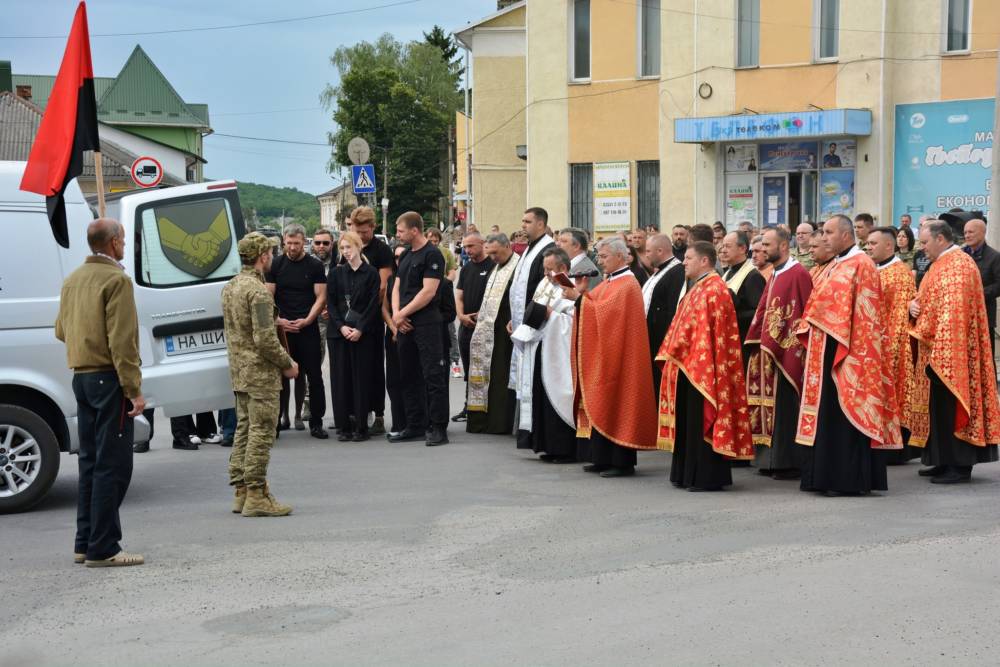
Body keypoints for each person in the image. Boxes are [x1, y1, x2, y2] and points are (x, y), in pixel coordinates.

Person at [55, 218, 146, 567]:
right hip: (109, 378)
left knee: (91, 462)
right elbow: (122, 342)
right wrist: (134, 389)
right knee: (113, 465)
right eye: (122, 238)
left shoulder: (73, 279)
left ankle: (85, 541)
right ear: (112, 244)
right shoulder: (116, 280)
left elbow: (61, 330)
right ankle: (104, 547)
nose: (124, 244)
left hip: (82, 377)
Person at [796, 215, 903, 496]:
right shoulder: (836, 264)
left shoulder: (862, 265)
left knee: (841, 416)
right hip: (825, 349)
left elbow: (866, 316)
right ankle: (821, 475)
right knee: (826, 415)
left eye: (829, 232)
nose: (824, 237)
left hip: (848, 353)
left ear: (845, 236)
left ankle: (844, 479)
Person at [657, 241, 754, 491]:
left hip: (705, 369)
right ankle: (686, 473)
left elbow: (712, 335)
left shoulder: (714, 289)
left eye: (688, 258)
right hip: (689, 365)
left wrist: (688, 356)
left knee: (699, 421)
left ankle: (705, 476)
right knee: (688, 422)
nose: (684, 262)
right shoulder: (699, 287)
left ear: (704, 261)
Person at [909, 221, 1000, 483]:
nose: (922, 248)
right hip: (935, 348)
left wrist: (926, 327)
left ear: (940, 239)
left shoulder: (959, 265)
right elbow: (925, 299)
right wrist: (913, 309)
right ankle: (941, 459)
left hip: (954, 352)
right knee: (938, 408)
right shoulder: (940, 264)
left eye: (925, 242)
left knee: (952, 407)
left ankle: (959, 465)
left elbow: (954, 313)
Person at [565, 238, 658, 477]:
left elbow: (606, 316)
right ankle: (601, 458)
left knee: (619, 403)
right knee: (603, 400)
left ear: (621, 256)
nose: (600, 261)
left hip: (622, 357)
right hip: (607, 353)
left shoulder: (628, 284)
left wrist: (578, 299)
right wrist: (582, 293)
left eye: (604, 256)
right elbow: (594, 305)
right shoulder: (610, 281)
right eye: (600, 256)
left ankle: (621, 462)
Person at [222, 232, 298, 518]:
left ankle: (240, 491)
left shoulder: (230, 287)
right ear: (263, 256)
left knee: (244, 429)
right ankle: (256, 494)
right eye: (269, 253)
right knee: (262, 432)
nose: (271, 257)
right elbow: (265, 339)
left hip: (239, 371)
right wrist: (287, 362)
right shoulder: (257, 291)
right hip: (260, 373)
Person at [745, 227, 812, 479]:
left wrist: (795, 347)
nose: (762, 249)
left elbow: (805, 311)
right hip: (769, 351)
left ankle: (788, 462)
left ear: (783, 246)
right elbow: (765, 309)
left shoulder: (798, 273)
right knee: (771, 407)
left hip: (788, 352)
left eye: (767, 244)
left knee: (786, 409)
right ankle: (771, 460)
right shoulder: (775, 273)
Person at [388, 212, 450, 446]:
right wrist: (396, 315)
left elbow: (429, 291)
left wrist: (403, 313)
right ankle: (414, 424)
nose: (398, 234)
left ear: (414, 230)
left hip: (426, 324)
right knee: (408, 375)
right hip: (404, 324)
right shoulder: (404, 256)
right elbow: (397, 287)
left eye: (401, 230)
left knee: (432, 376)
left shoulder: (432, 254)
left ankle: (438, 428)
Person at [512, 247, 578, 462]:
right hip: (540, 347)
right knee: (541, 397)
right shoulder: (545, 284)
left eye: (550, 270)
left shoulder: (571, 287)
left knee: (559, 397)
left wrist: (551, 315)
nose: (546, 274)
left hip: (560, 354)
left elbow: (575, 321)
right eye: (545, 270)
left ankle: (564, 448)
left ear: (563, 268)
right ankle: (546, 445)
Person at [266, 223, 328, 439]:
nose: (292, 247)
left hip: (307, 327)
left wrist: (309, 319)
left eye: (296, 243)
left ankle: (316, 422)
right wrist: (278, 320)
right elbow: (268, 296)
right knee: (279, 376)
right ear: (284, 242)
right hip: (283, 329)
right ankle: (277, 421)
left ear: (304, 243)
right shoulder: (275, 265)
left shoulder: (314, 266)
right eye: (289, 243)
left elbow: (321, 296)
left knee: (314, 376)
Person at [866, 226, 919, 464]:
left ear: (889, 245)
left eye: (873, 243)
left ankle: (894, 449)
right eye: (867, 243)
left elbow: (899, 316)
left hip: (891, 346)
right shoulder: (872, 268)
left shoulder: (900, 273)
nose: (868, 247)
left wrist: (891, 350)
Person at [327, 232, 381, 442]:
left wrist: (360, 328)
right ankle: (344, 426)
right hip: (339, 333)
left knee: (361, 378)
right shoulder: (336, 274)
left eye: (349, 247)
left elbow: (372, 304)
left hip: (362, 333)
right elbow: (331, 303)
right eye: (342, 248)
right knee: (341, 378)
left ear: (358, 247)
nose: (346, 252)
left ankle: (361, 425)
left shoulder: (371, 273)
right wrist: (341, 327)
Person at [467, 234, 520, 434]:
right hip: (490, 328)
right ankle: (483, 420)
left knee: (501, 376)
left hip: (505, 330)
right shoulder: (496, 267)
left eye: (495, 253)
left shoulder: (517, 266)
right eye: (490, 254)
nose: (492, 258)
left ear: (508, 246)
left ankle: (500, 422)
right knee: (490, 374)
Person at [349, 206, 394, 436]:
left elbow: (382, 286)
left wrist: (366, 314)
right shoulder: (349, 247)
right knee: (356, 368)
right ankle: (358, 410)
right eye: (356, 231)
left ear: (373, 228)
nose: (360, 236)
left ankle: (378, 414)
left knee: (375, 366)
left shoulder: (382, 250)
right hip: (351, 318)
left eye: (364, 232)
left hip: (373, 317)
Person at [507, 208, 555, 399]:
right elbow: (518, 287)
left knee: (533, 373)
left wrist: (526, 318)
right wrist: (514, 317)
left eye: (527, 222)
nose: (523, 225)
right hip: (522, 320)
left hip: (537, 324)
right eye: (523, 221)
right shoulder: (530, 247)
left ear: (541, 224)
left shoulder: (548, 250)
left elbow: (542, 289)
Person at [452, 232, 495, 422]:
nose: (467, 250)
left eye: (471, 246)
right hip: (466, 326)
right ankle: (468, 406)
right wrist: (461, 316)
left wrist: (481, 317)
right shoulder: (467, 268)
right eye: (465, 247)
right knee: (469, 369)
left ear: (482, 244)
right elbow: (459, 295)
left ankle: (487, 408)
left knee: (486, 369)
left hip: (485, 327)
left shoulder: (494, 267)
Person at [642, 233, 685, 399]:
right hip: (650, 340)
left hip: (661, 342)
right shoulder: (658, 272)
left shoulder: (677, 272)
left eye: (648, 251)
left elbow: (671, 310)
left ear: (660, 251)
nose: (646, 255)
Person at [301, 228, 336, 427]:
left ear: (332, 244)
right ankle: (308, 406)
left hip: (338, 321)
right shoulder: (308, 265)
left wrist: (332, 309)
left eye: (325, 243)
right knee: (312, 366)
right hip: (315, 321)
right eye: (317, 243)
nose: (321, 246)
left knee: (339, 367)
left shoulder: (339, 263)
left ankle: (343, 409)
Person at [719, 231, 767, 349]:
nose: (723, 250)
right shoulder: (728, 272)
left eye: (728, 246)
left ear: (742, 249)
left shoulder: (753, 276)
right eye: (723, 246)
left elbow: (759, 313)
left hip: (743, 341)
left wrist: (731, 315)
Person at [961, 218, 1000, 359]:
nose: (967, 235)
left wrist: (977, 294)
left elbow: (998, 285)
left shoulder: (994, 257)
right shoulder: (960, 255)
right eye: (965, 232)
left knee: (986, 358)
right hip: (962, 316)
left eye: (971, 232)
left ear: (983, 233)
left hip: (984, 316)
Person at [426, 227, 462, 377]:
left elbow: (452, 271)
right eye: (431, 240)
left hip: (442, 291)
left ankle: (454, 361)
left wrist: (446, 282)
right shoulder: (423, 252)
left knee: (449, 327)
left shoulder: (446, 252)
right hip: (427, 292)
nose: (433, 243)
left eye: (436, 240)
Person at [382, 245, 408, 434]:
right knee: (393, 380)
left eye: (403, 256)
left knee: (410, 380)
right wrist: (393, 327)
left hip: (410, 332)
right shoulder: (391, 279)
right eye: (396, 257)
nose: (399, 260)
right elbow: (384, 307)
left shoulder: (415, 279)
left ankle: (413, 421)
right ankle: (398, 422)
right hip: (392, 334)